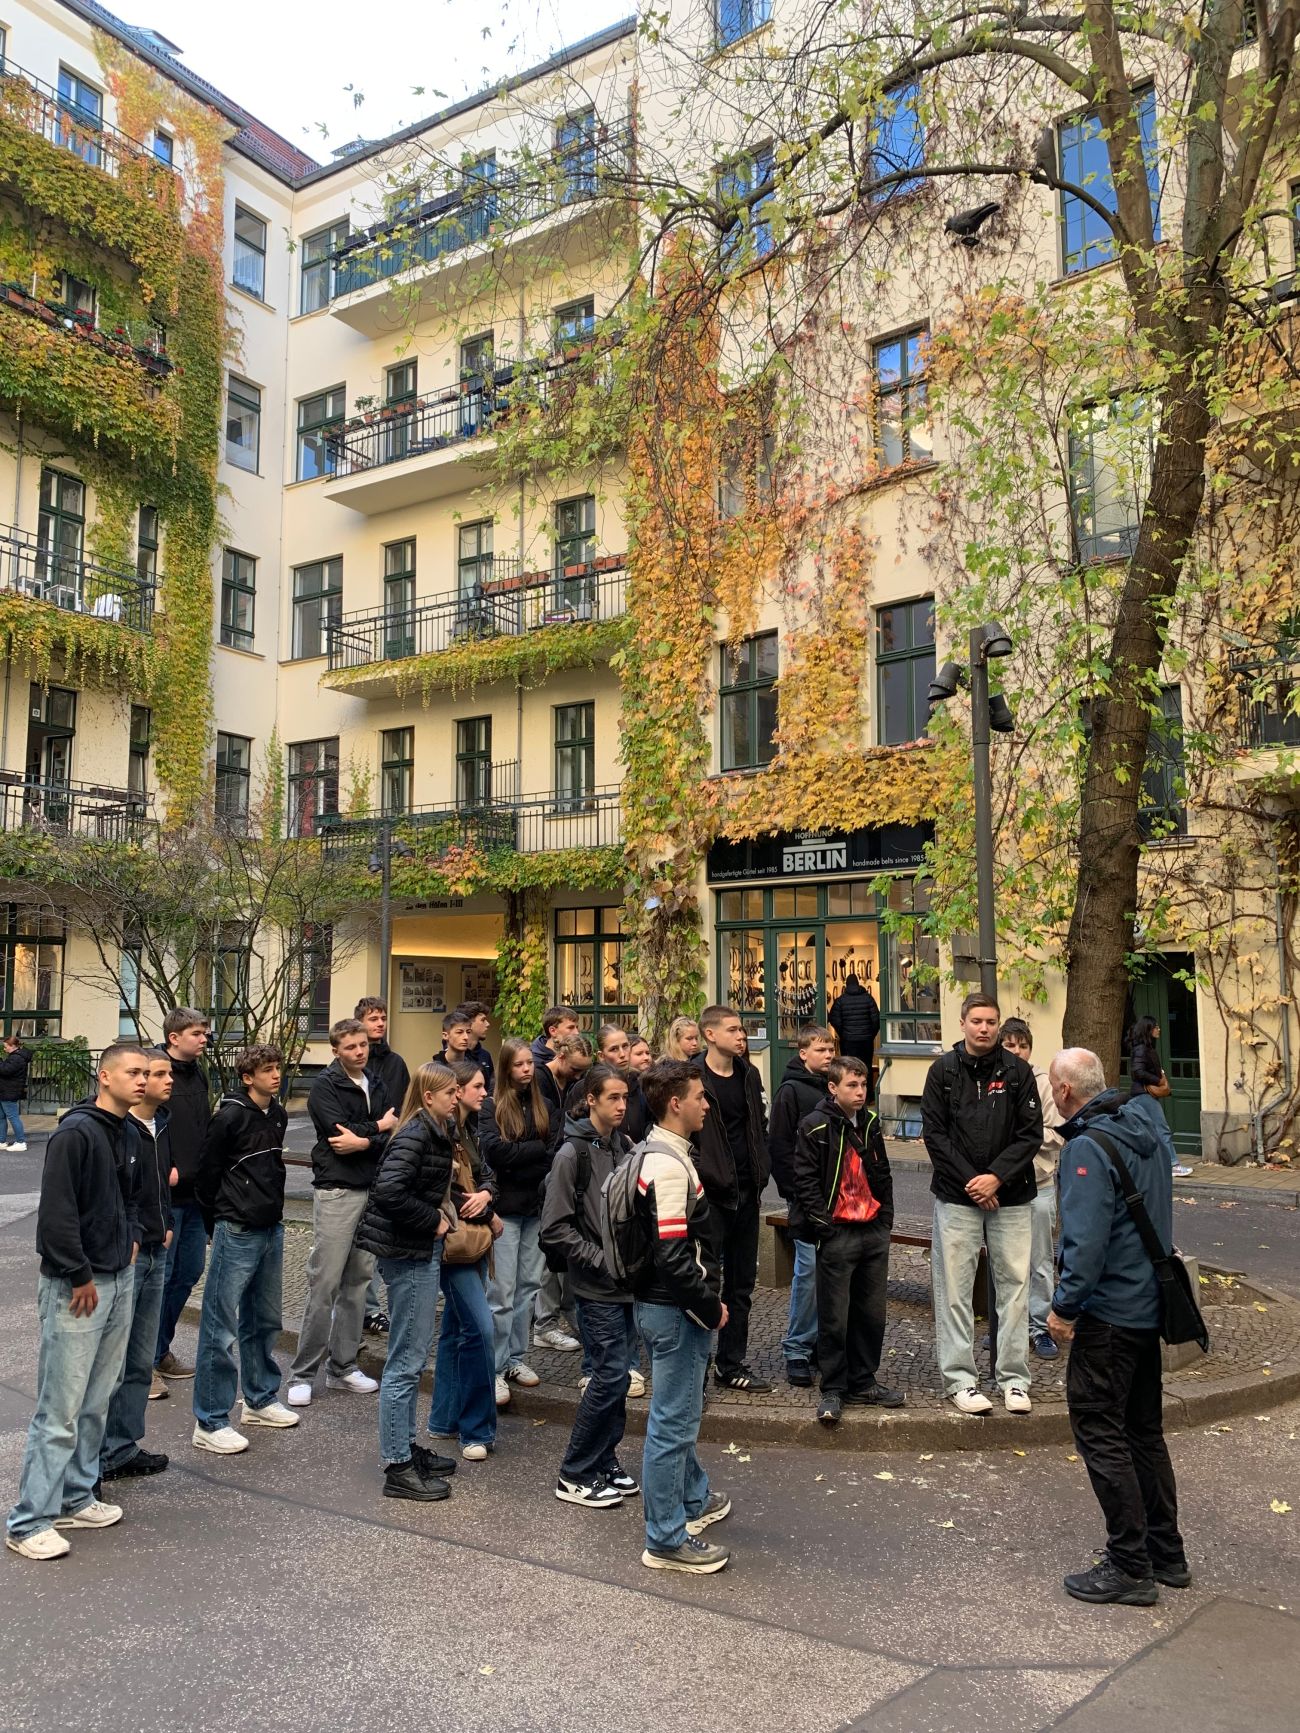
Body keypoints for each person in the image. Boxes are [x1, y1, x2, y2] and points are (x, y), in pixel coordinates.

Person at [1046, 1047, 1188, 1606]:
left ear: (1064, 1091)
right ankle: (1165, 1553)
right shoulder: (1145, 1123)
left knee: (1101, 1432)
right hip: (1148, 1305)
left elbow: (1085, 1245)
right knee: (1143, 1433)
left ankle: (1130, 1566)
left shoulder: (1087, 1146)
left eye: (1053, 1086)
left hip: (1108, 1313)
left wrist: (1064, 1309)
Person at [6, 1044, 147, 1561]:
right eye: (132, 1072)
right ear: (104, 1076)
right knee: (60, 1408)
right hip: (78, 1286)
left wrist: (133, 1239)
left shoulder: (130, 1132)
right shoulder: (75, 1133)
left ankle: (75, 1496)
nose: (141, 1080)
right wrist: (79, 1274)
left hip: (118, 1276)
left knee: (96, 1398)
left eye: (145, 1073)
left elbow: (133, 1198)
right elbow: (57, 1215)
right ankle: (28, 1521)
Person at [921, 992, 1043, 1416]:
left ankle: (1014, 1380)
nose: (984, 1028)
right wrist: (974, 1182)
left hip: (1012, 1196)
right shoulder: (942, 1071)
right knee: (954, 1291)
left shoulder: (1018, 1072)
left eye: (991, 1021)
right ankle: (960, 1380)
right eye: (977, 1021)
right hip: (957, 1197)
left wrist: (996, 1177)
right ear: (962, 1023)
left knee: (1015, 1290)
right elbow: (935, 1136)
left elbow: (1030, 1134)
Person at [632, 1059, 730, 1573]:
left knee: (678, 1416)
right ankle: (666, 1540)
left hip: (661, 1307)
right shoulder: (669, 1166)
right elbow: (673, 1256)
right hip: (675, 1312)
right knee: (672, 1425)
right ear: (676, 1104)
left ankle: (692, 1500)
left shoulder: (654, 1150)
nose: (706, 1105)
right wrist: (709, 1308)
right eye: (699, 1096)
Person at [355, 1063, 461, 1502]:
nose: (457, 1097)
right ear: (429, 1096)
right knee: (405, 1361)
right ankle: (398, 1465)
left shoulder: (433, 1129)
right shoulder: (416, 1134)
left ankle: (405, 1445)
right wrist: (432, 1219)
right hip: (408, 1255)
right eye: (450, 1092)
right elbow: (388, 1193)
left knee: (412, 1358)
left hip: (415, 1251)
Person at [539, 1064, 639, 1508]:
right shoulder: (571, 1154)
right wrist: (601, 1260)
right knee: (609, 1375)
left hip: (626, 1283)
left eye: (625, 1097)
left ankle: (605, 1460)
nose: (621, 1106)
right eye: (612, 1097)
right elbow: (555, 1228)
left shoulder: (623, 1145)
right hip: (595, 1285)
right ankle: (575, 1471)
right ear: (591, 1099)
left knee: (618, 1379)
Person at [191, 1045, 300, 1453]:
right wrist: (217, 1222)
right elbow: (207, 1175)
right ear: (247, 1077)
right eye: (267, 1070)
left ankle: (260, 1399)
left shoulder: (278, 1114)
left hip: (271, 1228)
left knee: (265, 1320)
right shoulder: (230, 1117)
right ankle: (210, 1419)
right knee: (220, 1327)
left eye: (278, 1068)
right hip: (235, 1229)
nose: (276, 1075)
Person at [286, 1018, 396, 1408]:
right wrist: (378, 1128)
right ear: (335, 1050)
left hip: (371, 1189)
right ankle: (302, 1374)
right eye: (351, 1047)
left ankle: (343, 1367)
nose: (360, 1051)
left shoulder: (376, 1082)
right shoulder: (324, 1086)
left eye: (363, 1044)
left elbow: (388, 1134)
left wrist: (367, 1137)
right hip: (337, 1191)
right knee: (325, 1283)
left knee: (359, 1282)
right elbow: (339, 1138)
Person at [792, 1056, 902, 1423]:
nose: (860, 1092)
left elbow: (883, 1173)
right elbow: (804, 1181)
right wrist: (824, 1226)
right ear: (832, 1087)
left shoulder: (869, 1122)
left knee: (871, 1314)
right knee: (835, 1317)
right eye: (852, 1085)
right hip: (837, 1232)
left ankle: (863, 1381)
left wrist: (885, 1220)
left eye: (863, 1085)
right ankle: (834, 1388)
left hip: (872, 1230)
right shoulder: (814, 1125)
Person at [100, 1051, 175, 1484]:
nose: (157, 1080)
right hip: (129, 1254)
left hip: (156, 1248)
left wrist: (166, 1224)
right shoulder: (118, 1128)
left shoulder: (160, 1125)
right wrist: (131, 1235)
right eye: (148, 1073)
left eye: (158, 1073)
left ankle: (121, 1448)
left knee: (140, 1359)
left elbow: (161, 1185)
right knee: (113, 1359)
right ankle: (96, 1457)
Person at [693, 1004, 771, 1392]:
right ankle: (695, 1366)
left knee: (741, 1286)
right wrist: (703, 1172)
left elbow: (759, 1124)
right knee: (704, 1282)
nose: (742, 1036)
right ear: (710, 1035)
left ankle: (730, 1363)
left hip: (748, 1193)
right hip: (710, 1197)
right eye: (733, 1030)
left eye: (742, 1030)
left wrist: (761, 1169)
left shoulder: (748, 1074)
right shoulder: (693, 1076)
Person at [426, 1062, 501, 1461]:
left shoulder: (473, 1128)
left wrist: (487, 1195)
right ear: (455, 1090)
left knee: (457, 1329)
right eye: (476, 1086)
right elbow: (442, 1189)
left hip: (472, 1242)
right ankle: (476, 1430)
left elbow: (488, 1175)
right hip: (454, 1243)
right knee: (480, 1330)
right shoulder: (442, 1130)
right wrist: (487, 1212)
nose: (483, 1093)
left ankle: (443, 1419)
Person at [481, 1037, 557, 1404]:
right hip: (504, 1211)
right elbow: (495, 1153)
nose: (527, 1069)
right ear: (506, 1068)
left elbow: (553, 1153)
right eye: (519, 1064)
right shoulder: (491, 1106)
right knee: (501, 1293)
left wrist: (521, 1154)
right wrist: (534, 1151)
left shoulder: (544, 1105)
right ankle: (494, 1368)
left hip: (534, 1208)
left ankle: (514, 1358)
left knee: (528, 1287)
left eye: (530, 1063)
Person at [768, 1025, 836, 1386]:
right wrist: (795, 1193)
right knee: (807, 1276)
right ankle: (796, 1348)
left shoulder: (832, 1087)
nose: (828, 1055)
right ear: (803, 1053)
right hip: (805, 1202)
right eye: (821, 1050)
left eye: (831, 1049)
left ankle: (821, 1345)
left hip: (835, 1202)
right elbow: (779, 1146)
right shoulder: (790, 1091)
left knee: (830, 1277)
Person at [153, 1008, 213, 1383]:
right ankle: (143, 1361)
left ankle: (158, 1351)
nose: (204, 1039)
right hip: (167, 1196)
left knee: (188, 1272)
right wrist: (165, 1166)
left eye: (205, 1033)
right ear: (174, 1038)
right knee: (159, 1277)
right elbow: (146, 1125)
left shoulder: (198, 1073)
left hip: (197, 1196)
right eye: (197, 1033)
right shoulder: (156, 1071)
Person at [1001, 1017, 1065, 1360]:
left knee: (1039, 1259)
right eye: (1010, 1045)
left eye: (1022, 1045)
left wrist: (1023, 1134)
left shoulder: (1043, 1084)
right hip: (1003, 1185)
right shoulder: (991, 1080)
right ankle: (1008, 1327)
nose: (1017, 1051)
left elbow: (1057, 1133)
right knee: (1006, 1260)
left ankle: (1040, 1327)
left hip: (1038, 1182)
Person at [355, 996, 409, 1338]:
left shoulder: (396, 1063)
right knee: (361, 1240)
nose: (380, 1024)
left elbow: (398, 1112)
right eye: (373, 1018)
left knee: (379, 1236)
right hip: (357, 1162)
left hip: (385, 1155)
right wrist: (375, 1130)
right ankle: (362, 1308)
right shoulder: (353, 1065)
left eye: (383, 1018)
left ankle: (373, 1308)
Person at [534, 1035, 590, 1353]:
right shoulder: (540, 1079)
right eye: (576, 1070)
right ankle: (544, 1324)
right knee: (550, 1257)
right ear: (562, 1057)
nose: (578, 1076)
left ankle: (566, 1316)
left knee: (564, 1257)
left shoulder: (571, 1082)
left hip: (559, 1167)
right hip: (548, 1172)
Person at [1126, 1016, 1192, 1178]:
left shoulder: (1145, 1048)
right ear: (1148, 1029)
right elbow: (1137, 1072)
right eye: (1155, 1027)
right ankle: (1173, 1165)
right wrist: (1158, 1080)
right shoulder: (1142, 1049)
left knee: (1146, 1131)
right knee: (1162, 1129)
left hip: (1142, 1095)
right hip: (1144, 1095)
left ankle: (1146, 1165)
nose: (1159, 1029)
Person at [828, 971, 881, 1098]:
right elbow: (876, 1020)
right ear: (858, 983)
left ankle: (850, 1094)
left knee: (848, 1068)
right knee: (866, 1066)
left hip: (848, 1041)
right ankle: (867, 1096)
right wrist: (870, 1034)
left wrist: (843, 1033)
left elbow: (834, 1019)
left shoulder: (841, 1000)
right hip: (866, 1041)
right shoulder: (868, 999)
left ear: (846, 985)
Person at [0, 1032, 32, 1150]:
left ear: (13, 1046)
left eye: (6, 1047)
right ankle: (1, 1141)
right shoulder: (14, 1056)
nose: (4, 1049)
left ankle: (21, 1142)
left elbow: (5, 1070)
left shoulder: (17, 1058)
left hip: (9, 1092)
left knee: (13, 1117)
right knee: (1, 1117)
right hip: (4, 1091)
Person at [456, 1001, 496, 1095]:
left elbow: (492, 1087)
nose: (488, 1024)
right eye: (483, 1020)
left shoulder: (485, 1055)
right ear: (469, 1024)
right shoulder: (453, 1055)